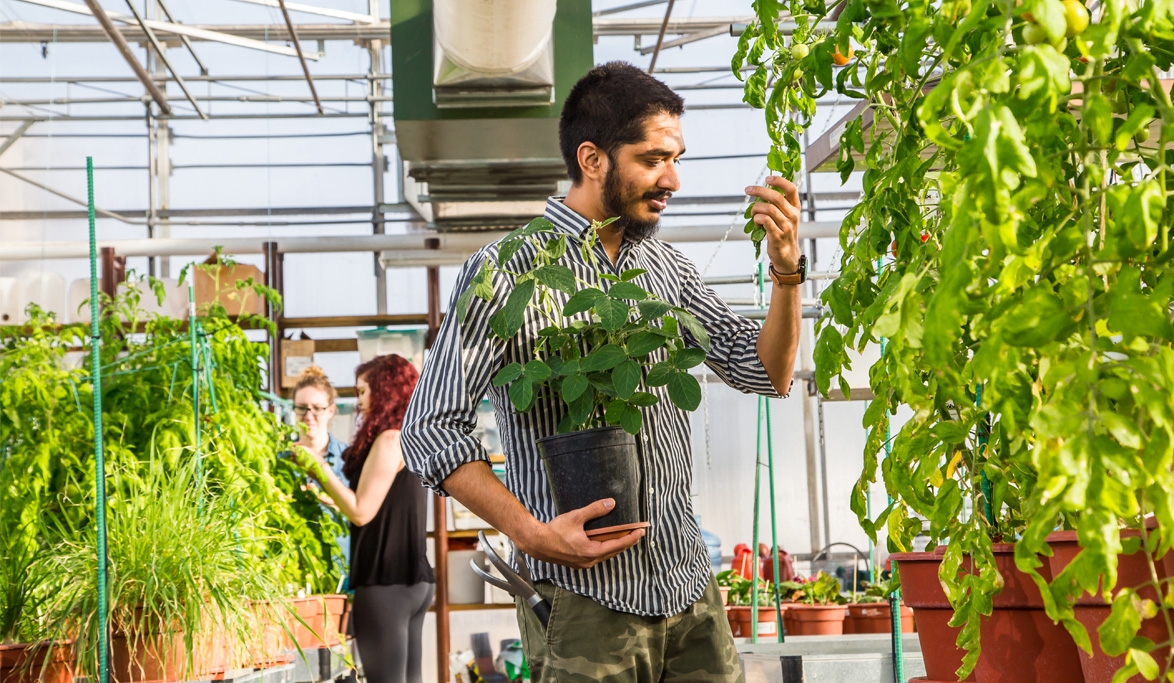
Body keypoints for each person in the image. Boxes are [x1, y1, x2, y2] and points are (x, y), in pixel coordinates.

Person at [401, 61, 802, 682]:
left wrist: (785, 272)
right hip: (586, 601)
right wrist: (530, 535)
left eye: (677, 157)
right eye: (652, 159)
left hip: (688, 590)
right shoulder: (509, 271)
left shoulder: (668, 269)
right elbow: (431, 428)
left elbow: (763, 371)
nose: (672, 178)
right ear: (592, 159)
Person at [298, 354, 435, 683]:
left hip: (384, 582)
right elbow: (384, 507)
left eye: (363, 391)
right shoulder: (409, 438)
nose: (359, 401)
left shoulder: (388, 440)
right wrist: (330, 500)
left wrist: (317, 465)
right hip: (414, 582)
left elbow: (361, 512)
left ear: (384, 390)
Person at [291, 365, 351, 567]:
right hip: (292, 569)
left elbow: (365, 514)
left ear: (331, 410)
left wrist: (334, 502)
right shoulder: (281, 460)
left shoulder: (349, 459)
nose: (308, 416)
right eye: (301, 408)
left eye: (317, 408)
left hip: (341, 570)